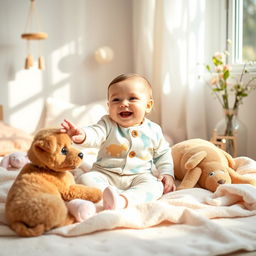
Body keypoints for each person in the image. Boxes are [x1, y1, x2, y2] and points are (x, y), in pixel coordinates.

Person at [61, 73, 175, 218]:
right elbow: (96, 133)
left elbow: (163, 153)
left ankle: (122, 200)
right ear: (109, 106)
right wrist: (82, 135)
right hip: (105, 174)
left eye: (132, 98)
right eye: (116, 99)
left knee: (155, 186)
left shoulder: (154, 130)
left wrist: (167, 173)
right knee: (85, 179)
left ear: (148, 105)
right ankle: (106, 197)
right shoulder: (107, 123)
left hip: (139, 176)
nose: (123, 103)